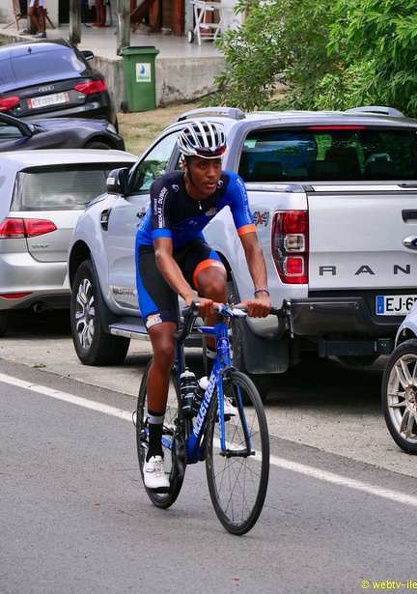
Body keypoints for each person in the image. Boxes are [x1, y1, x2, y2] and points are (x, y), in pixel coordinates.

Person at [135, 120, 271, 490]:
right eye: (202, 165)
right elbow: (163, 255)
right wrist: (187, 296)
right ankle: (153, 450)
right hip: (154, 253)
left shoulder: (230, 186)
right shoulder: (166, 189)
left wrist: (261, 292)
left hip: (191, 247)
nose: (212, 173)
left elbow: (251, 245)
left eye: (216, 163)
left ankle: (216, 380)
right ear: (186, 164)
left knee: (216, 281)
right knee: (164, 347)